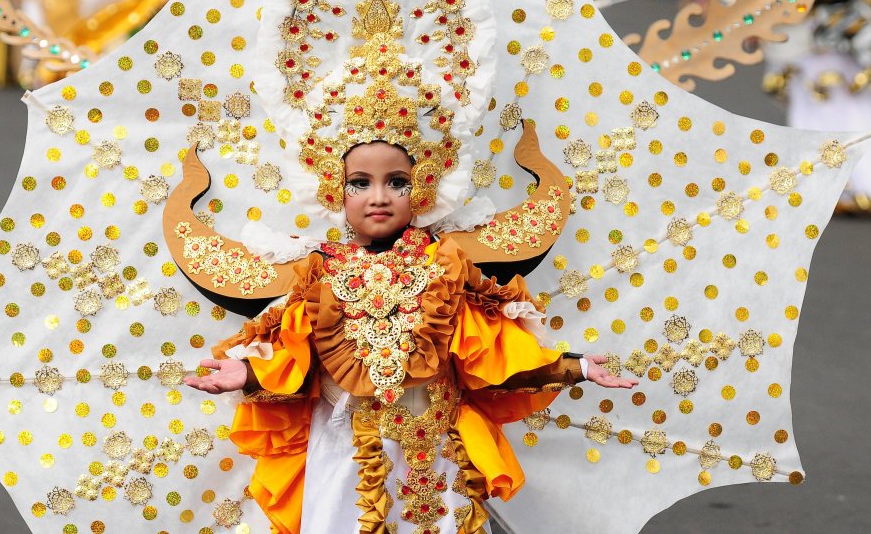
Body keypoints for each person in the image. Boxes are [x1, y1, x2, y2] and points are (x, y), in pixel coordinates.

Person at [183, 139, 637, 533]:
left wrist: (574, 366)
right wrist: (245, 373)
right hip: (345, 456)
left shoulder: (445, 271)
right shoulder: (318, 277)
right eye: (359, 182)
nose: (378, 197)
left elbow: (490, 366)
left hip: (435, 457)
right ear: (333, 191)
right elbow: (298, 370)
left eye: (396, 182)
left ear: (419, 189)